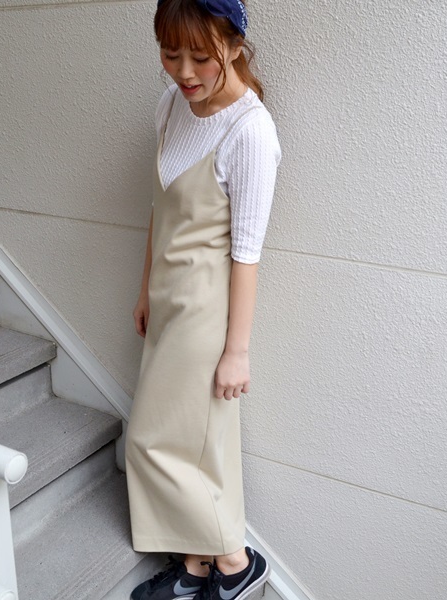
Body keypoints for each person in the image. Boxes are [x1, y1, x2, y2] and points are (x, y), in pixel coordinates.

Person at [125, 1, 281, 599]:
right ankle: (197, 568)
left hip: (205, 310)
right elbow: (159, 205)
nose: (184, 72)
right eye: (171, 55)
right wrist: (145, 289)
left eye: (200, 56)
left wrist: (236, 351)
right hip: (167, 298)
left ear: (235, 46)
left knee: (153, 438)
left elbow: (247, 252)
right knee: (199, 441)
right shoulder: (171, 106)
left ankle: (236, 563)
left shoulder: (250, 131)